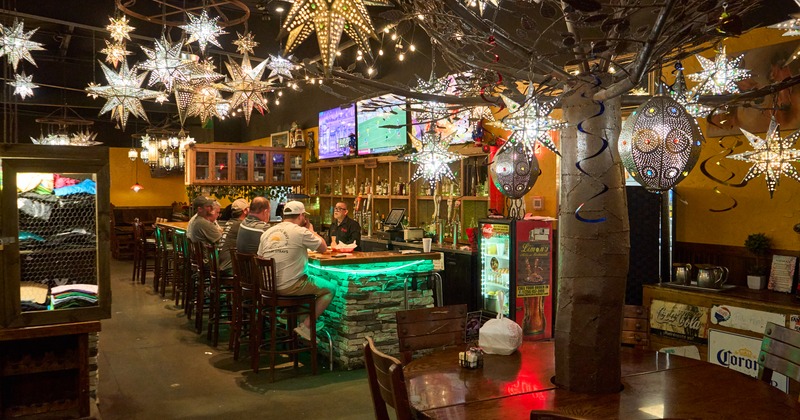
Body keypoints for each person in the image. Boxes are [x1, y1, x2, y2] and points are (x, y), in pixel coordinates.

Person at [257, 201, 334, 341]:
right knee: (330, 289)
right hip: (289, 287)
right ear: (301, 216)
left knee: (299, 277)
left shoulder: (268, 232)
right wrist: (310, 229)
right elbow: (323, 247)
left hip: (268, 288)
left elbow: (260, 257)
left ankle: (286, 315)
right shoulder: (301, 232)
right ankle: (307, 326)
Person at [217, 198, 249, 274]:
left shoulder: (230, 222)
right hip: (229, 268)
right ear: (245, 211)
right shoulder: (241, 225)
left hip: (221, 265)